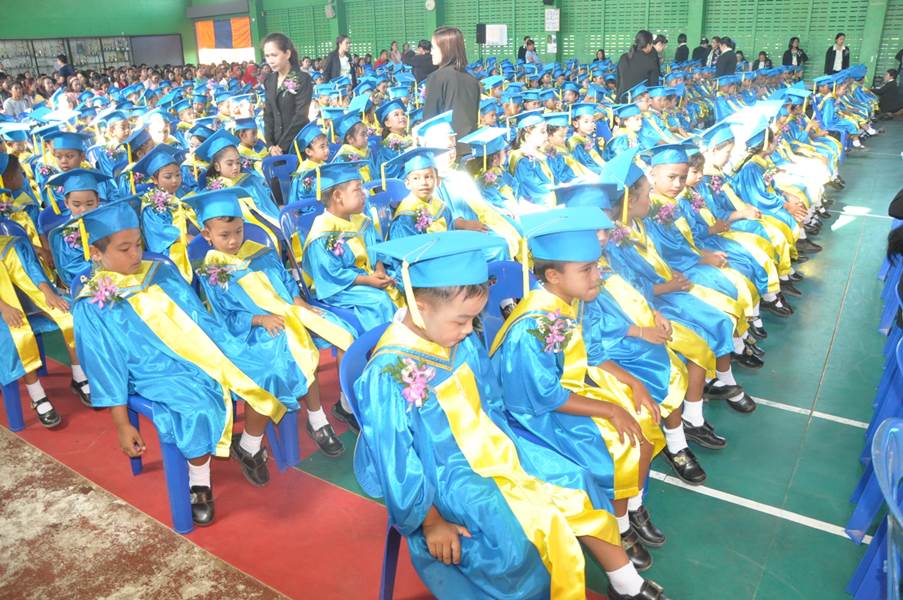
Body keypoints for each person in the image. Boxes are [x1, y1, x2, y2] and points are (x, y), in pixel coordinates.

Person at [355, 229, 669, 600]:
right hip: (443, 473)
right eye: (460, 321)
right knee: (520, 530)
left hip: (496, 441)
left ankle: (625, 583)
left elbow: (490, 399)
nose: (469, 331)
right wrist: (431, 521)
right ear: (419, 307)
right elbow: (395, 458)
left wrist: (519, 444)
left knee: (574, 480)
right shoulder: (387, 373)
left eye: (474, 320)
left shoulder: (457, 339)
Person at [72, 199, 302, 526]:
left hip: (203, 347)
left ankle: (249, 446)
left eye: (138, 244)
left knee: (266, 369)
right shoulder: (92, 304)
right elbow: (103, 364)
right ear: (96, 254)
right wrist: (122, 423)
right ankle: (199, 483)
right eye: (124, 249)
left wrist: (223, 347)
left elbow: (200, 316)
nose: (136, 254)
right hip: (154, 371)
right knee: (198, 407)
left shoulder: (161, 272)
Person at [189, 188, 347, 456]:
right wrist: (259, 319)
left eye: (238, 231)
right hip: (247, 333)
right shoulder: (211, 272)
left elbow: (285, 280)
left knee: (327, 327)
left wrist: (298, 301)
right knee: (289, 348)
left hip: (284, 315)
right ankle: (263, 439)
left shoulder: (260, 253)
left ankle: (317, 417)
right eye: (224, 235)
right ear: (207, 235)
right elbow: (225, 317)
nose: (233, 241)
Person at [422, 27, 480, 155]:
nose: (431, 52)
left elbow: (430, 119)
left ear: (445, 49)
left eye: (434, 48)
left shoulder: (436, 77)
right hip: (470, 148)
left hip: (446, 150)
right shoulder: (472, 79)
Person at [262, 33, 313, 157]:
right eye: (267, 56)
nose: (270, 60)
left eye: (274, 55)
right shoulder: (269, 80)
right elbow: (268, 114)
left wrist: (281, 146)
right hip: (275, 147)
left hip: (297, 143)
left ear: (288, 54)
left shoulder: (301, 78)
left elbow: (301, 116)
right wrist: (270, 145)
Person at [616, 31, 660, 99]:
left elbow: (618, 81)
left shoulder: (623, 57)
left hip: (621, 101)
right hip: (638, 102)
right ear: (648, 45)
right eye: (652, 44)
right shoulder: (651, 62)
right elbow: (653, 89)